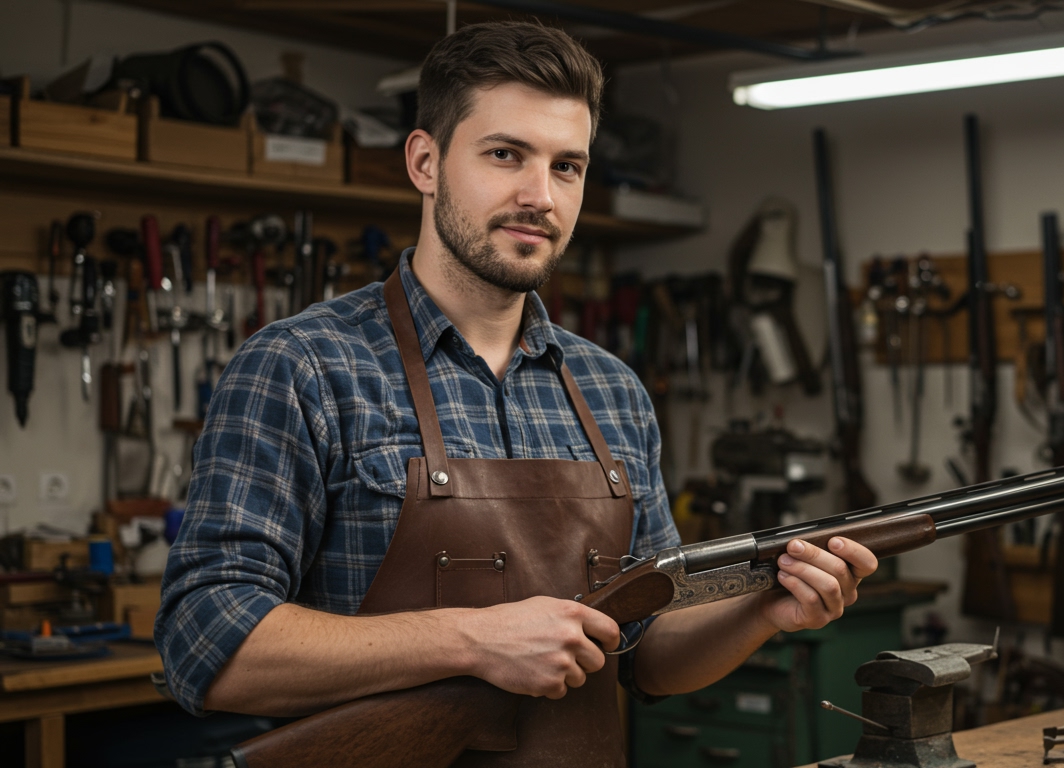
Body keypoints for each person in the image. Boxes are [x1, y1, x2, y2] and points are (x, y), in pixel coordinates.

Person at [155, 20, 878, 766]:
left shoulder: (612, 391)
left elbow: (650, 652)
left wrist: (763, 609)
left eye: (568, 167)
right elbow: (205, 641)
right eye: (506, 155)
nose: (540, 195)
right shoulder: (302, 366)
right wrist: (474, 639)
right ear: (425, 161)